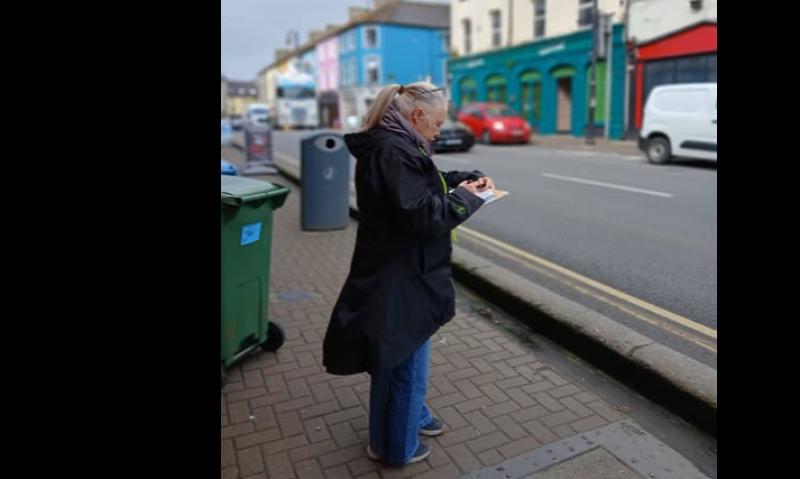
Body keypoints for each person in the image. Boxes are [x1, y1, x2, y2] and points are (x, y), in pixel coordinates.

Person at [322, 82, 496, 465]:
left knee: (405, 352)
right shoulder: (393, 150)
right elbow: (424, 216)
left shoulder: (398, 142)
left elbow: (421, 186)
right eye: (437, 121)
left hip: (402, 270)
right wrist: (469, 199)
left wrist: (460, 180)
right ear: (417, 115)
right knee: (402, 360)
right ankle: (395, 446)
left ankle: (413, 417)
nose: (439, 128)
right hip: (401, 274)